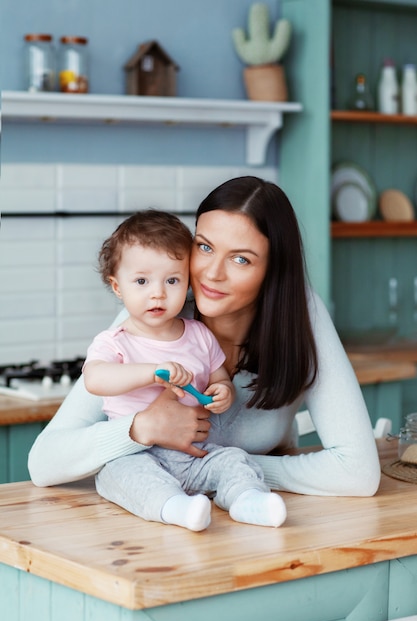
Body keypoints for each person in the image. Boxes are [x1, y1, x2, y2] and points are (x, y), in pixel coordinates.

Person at [28, 176, 381, 508]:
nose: (212, 273)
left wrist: (232, 468)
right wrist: (140, 428)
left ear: (273, 270)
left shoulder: (300, 314)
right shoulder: (156, 315)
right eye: (205, 246)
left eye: (241, 259)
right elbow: (45, 462)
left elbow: (358, 473)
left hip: (247, 522)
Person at [82, 210, 287, 531]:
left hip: (195, 455)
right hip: (135, 454)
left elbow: (218, 377)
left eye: (172, 281)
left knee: (233, 460)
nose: (158, 293)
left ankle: (248, 500)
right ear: (117, 286)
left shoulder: (198, 335)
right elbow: (95, 379)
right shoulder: (114, 341)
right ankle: (176, 508)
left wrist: (222, 392)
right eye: (141, 281)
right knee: (120, 477)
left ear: (188, 282)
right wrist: (152, 372)